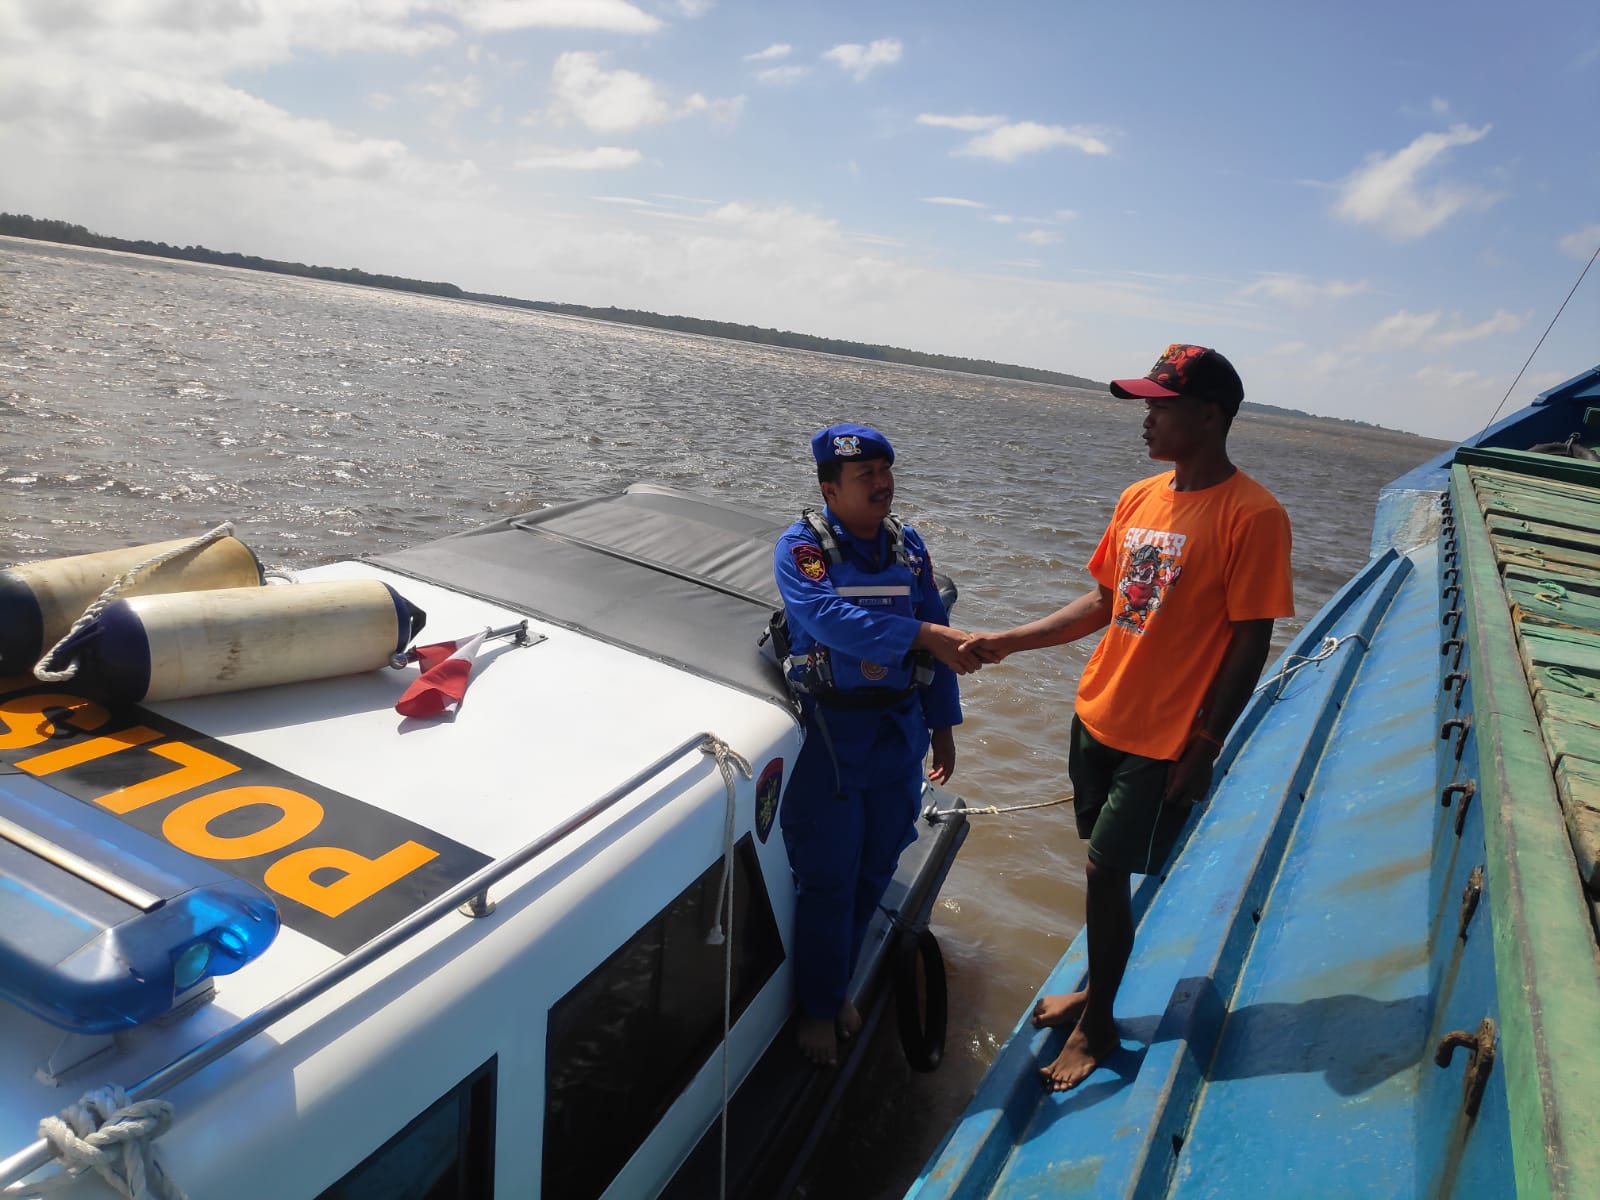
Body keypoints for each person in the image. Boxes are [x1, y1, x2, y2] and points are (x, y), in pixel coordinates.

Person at [962, 344, 1294, 1091]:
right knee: (1099, 871)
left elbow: (1251, 640)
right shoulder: (1140, 497)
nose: (1146, 419)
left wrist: (1206, 743)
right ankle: (1094, 988)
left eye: (1161, 406)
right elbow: (1108, 603)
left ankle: (1099, 1019)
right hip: (1101, 714)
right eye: (1146, 404)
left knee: (1104, 871)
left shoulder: (1255, 516)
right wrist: (1009, 641)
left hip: (1166, 735)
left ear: (1208, 417)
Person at [772, 422, 980, 1066]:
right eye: (866, 478)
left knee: (879, 862)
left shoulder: (908, 546)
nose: (883, 485)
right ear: (830, 488)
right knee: (829, 876)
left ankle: (836, 990)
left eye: (886, 473)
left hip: (898, 730)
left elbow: (938, 632)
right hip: (832, 736)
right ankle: (815, 1007)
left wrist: (943, 726)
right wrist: (920, 635)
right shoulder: (802, 547)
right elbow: (825, 618)